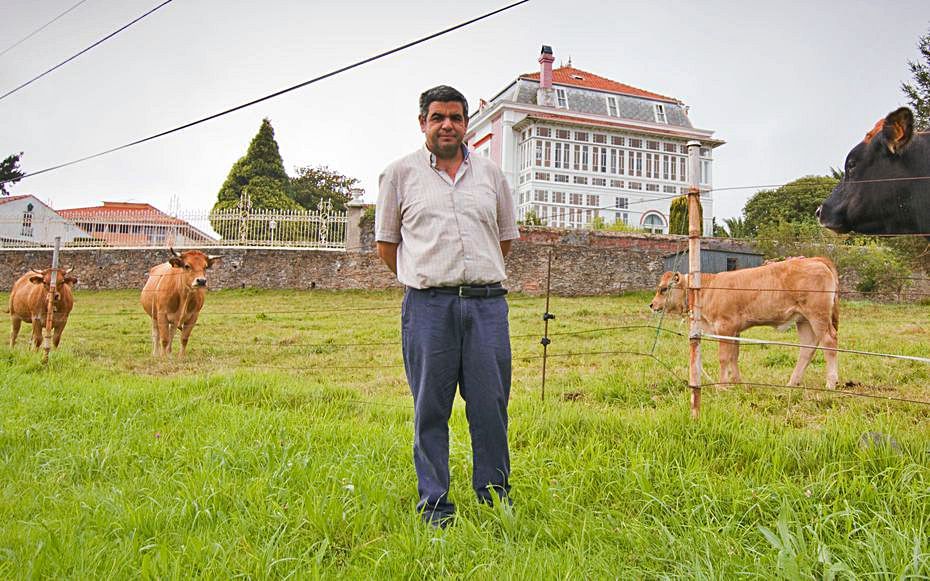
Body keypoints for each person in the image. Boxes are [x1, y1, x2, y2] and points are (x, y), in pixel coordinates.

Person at [375, 85, 519, 527]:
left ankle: (494, 497)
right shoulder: (399, 175)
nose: (447, 125)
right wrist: (431, 275)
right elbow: (387, 245)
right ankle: (435, 504)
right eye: (438, 117)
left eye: (456, 117)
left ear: (465, 124)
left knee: (490, 405)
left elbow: (505, 239)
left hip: (486, 308)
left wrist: (472, 276)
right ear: (423, 123)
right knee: (430, 408)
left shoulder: (492, 176)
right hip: (428, 309)